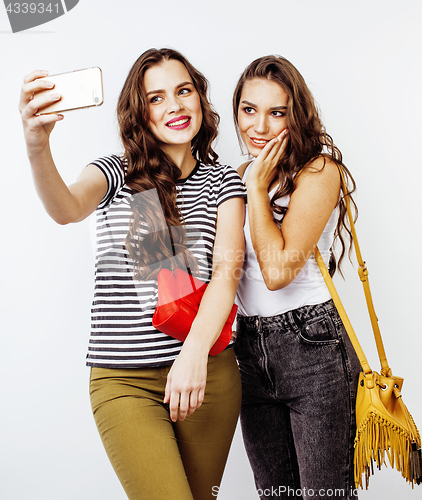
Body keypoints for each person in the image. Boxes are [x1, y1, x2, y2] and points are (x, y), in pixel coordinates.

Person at [19, 48, 246, 500]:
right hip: (124, 379)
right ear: (139, 112)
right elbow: (67, 208)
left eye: (183, 91)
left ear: (200, 97)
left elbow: (226, 277)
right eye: (156, 98)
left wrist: (193, 356)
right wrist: (37, 146)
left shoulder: (223, 182)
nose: (175, 106)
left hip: (205, 372)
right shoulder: (117, 171)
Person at [232, 55, 362, 500]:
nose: (260, 126)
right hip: (249, 351)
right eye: (249, 110)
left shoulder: (319, 171)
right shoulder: (238, 176)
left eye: (277, 112)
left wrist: (254, 188)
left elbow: (277, 272)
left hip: (314, 350)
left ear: (296, 115)